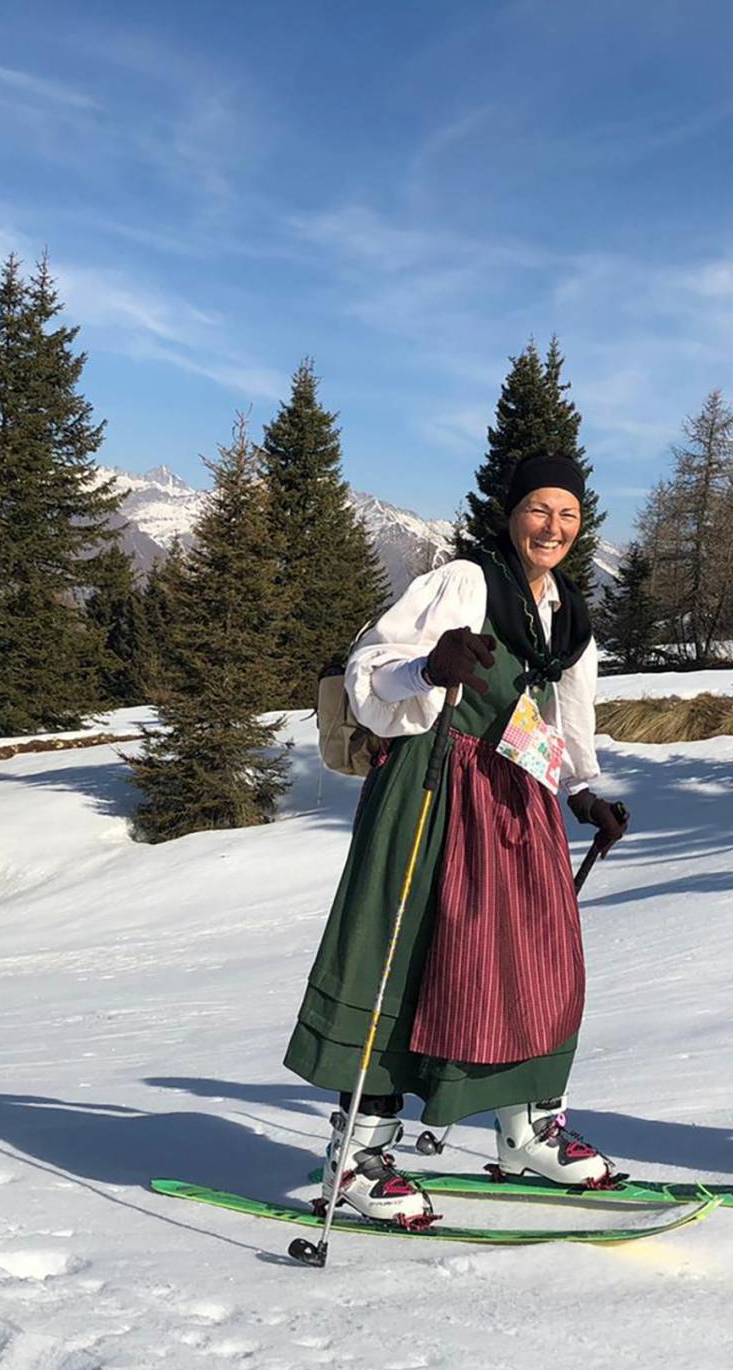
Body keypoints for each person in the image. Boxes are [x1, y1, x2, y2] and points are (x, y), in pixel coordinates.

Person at [283, 454, 632, 1225]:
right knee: (402, 955)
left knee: (537, 961)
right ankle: (359, 1156)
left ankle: (528, 1130)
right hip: (434, 789)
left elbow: (567, 711)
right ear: (512, 514)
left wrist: (581, 789)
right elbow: (370, 667)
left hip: (518, 797)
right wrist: (427, 668)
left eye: (568, 514)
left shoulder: (565, 612)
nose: (554, 527)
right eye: (539, 509)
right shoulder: (465, 583)